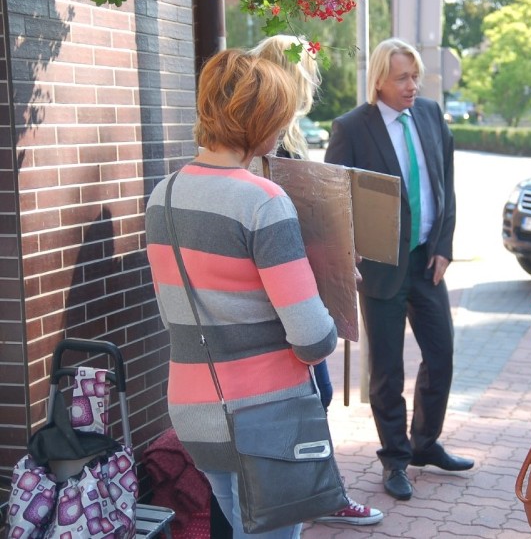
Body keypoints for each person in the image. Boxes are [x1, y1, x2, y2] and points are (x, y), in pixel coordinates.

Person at [145, 49, 338, 538]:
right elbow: (313, 338)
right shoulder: (263, 202)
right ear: (255, 119)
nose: (281, 129)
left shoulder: (162, 194)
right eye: (277, 115)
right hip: (267, 414)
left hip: (194, 407)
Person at [324, 37, 472, 502]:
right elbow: (334, 201)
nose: (412, 86)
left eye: (416, 77)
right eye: (403, 78)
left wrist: (444, 246)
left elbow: (445, 186)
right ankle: (395, 457)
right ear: (379, 80)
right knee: (387, 369)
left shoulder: (430, 115)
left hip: (427, 261)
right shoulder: (352, 128)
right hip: (381, 268)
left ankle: (426, 443)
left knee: (442, 355)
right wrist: (348, 255)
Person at [248, 34, 383, 526]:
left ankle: (316, 495)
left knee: (314, 394)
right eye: (308, 71)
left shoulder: (279, 134)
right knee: (310, 395)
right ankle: (313, 497)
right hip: (285, 288)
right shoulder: (270, 139)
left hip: (296, 282)